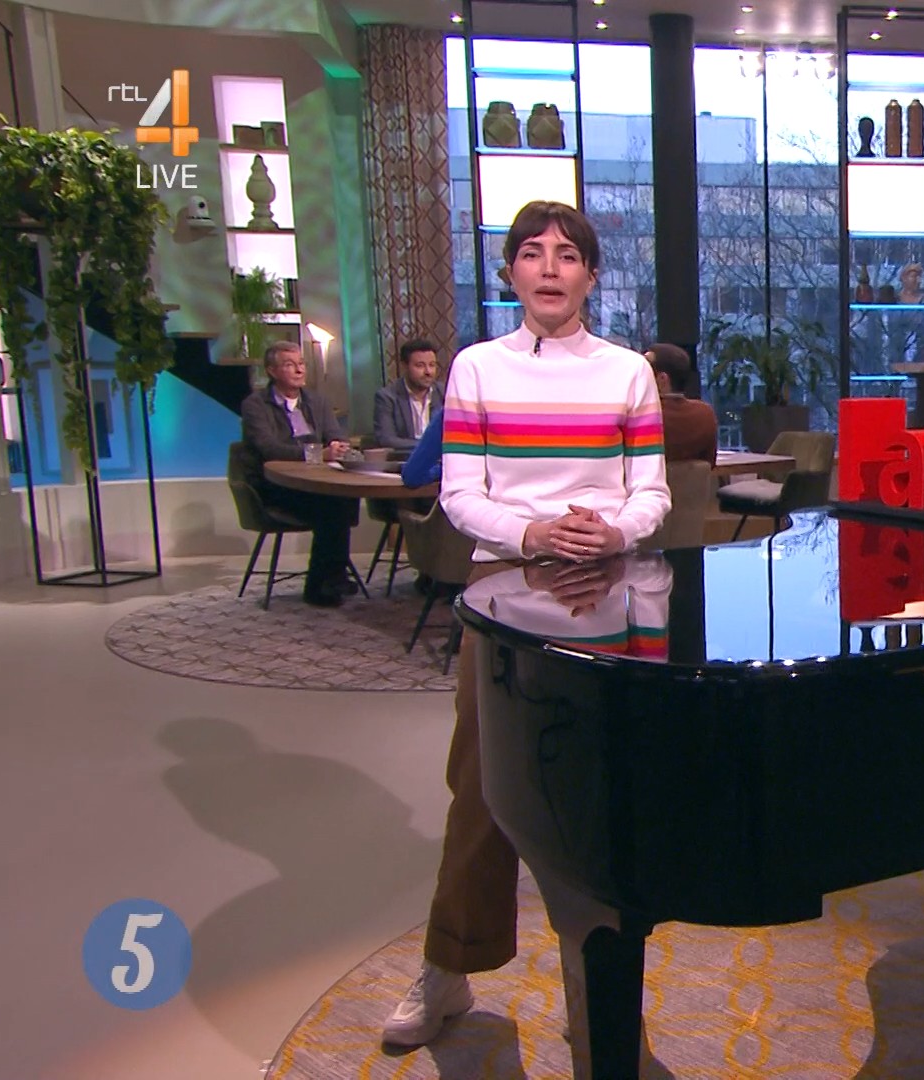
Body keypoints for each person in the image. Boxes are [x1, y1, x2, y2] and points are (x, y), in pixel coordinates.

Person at [383, 199, 671, 1049]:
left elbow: (651, 492)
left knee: (602, 796)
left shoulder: (627, 373)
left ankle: (603, 1007)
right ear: (510, 271)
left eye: (568, 255)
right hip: (504, 593)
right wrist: (533, 533)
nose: (550, 267)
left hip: (606, 593)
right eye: (533, 253)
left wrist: (614, 531)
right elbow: (460, 494)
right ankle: (447, 972)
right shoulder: (477, 369)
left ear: (591, 275)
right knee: (483, 787)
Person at [237, 341, 359, 607]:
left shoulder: (317, 401)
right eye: (289, 365)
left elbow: (335, 434)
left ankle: (330, 577)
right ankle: (321, 584)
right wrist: (317, 454)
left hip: (316, 481)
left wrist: (338, 446)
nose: (299, 370)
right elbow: (268, 448)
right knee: (332, 507)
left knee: (343, 499)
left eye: (301, 363)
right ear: (271, 371)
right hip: (275, 486)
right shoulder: (255, 405)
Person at [644, 342, 718, 466]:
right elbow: (710, 463)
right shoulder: (705, 414)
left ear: (662, 380)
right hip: (695, 480)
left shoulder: (640, 416)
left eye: (643, 370)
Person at [372, 339, 445, 452]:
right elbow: (387, 439)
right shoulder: (387, 397)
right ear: (405, 366)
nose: (428, 372)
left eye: (432, 365)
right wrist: (428, 445)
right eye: (420, 366)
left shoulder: (444, 393)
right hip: (405, 459)